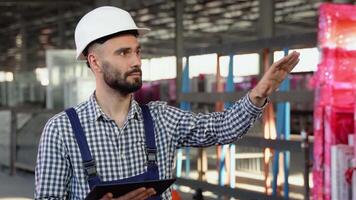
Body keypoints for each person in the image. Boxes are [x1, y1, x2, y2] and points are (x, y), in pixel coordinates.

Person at [35, 6, 300, 200]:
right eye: (123, 53)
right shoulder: (61, 130)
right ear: (94, 62)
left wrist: (260, 92)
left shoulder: (161, 119)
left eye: (137, 51)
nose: (136, 61)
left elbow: (223, 127)